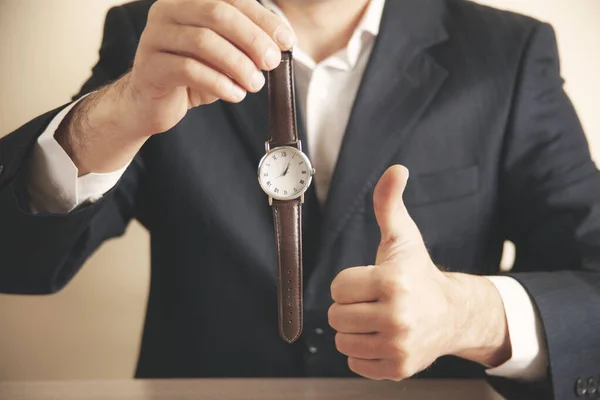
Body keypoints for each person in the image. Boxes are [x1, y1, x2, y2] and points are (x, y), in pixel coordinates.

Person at [0, 0, 598, 398]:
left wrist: (466, 313)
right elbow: (15, 257)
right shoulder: (154, 34)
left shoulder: (508, 53)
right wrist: (117, 113)